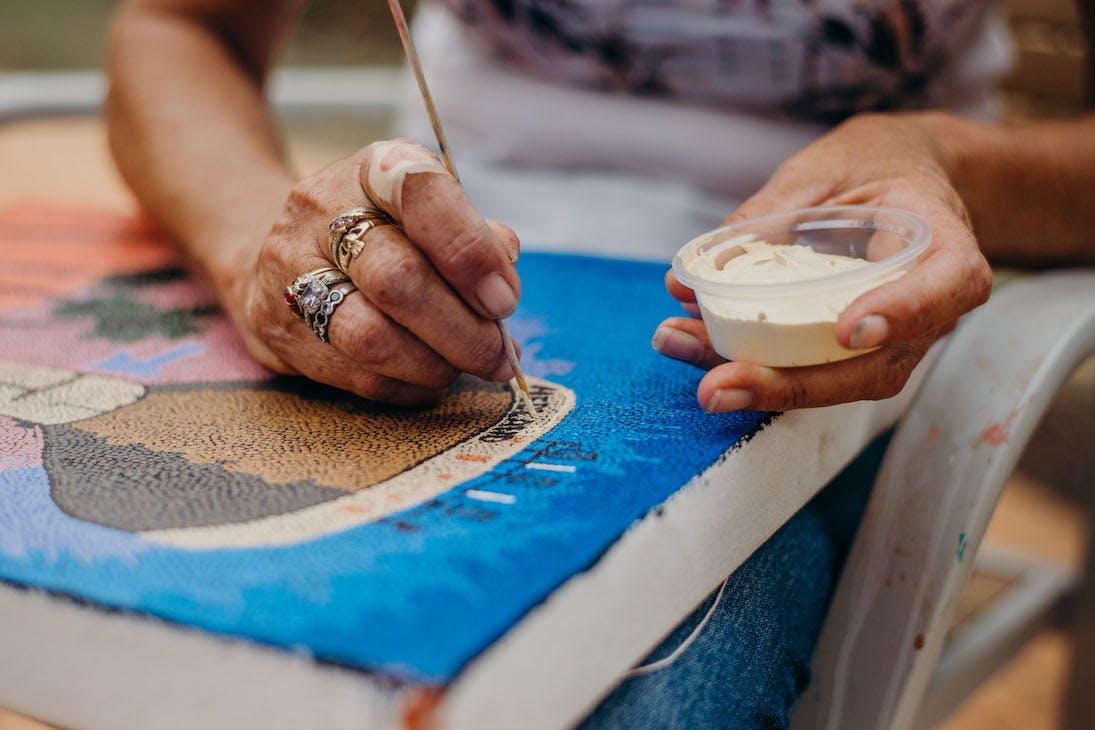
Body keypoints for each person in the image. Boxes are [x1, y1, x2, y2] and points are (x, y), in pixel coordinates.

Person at [105, 0, 1095, 726]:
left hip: (827, 325)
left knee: (610, 685)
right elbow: (179, 27)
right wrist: (255, 254)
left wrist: (947, 161)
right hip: (437, 282)